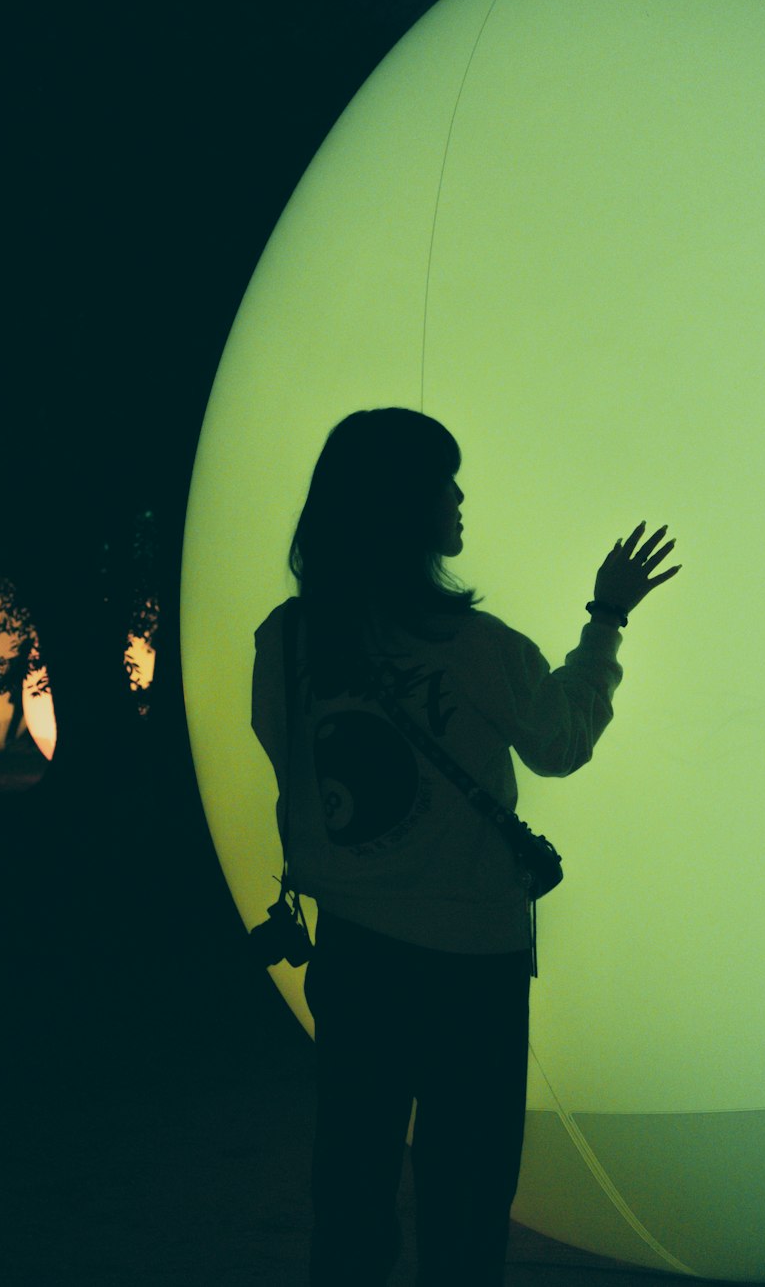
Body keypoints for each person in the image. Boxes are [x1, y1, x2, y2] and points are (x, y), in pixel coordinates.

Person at [250, 408, 681, 1287]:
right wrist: (606, 619)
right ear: (405, 505)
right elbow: (559, 743)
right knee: (467, 1199)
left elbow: (290, 766)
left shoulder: (286, 640)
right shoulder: (475, 648)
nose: (457, 496)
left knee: (352, 1192)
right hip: (471, 967)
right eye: (442, 480)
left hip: (355, 954)